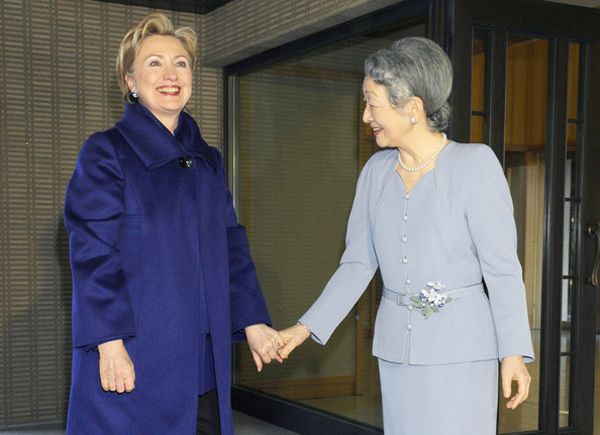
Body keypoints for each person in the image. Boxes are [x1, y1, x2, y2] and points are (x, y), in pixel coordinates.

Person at [278, 37, 534, 435]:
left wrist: (513, 353)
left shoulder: (475, 165)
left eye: (372, 103)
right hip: (396, 352)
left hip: (462, 352)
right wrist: (305, 327)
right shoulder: (375, 172)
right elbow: (357, 263)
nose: (365, 116)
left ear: (412, 108)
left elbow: (502, 270)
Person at [64, 13, 283, 435]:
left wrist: (252, 321)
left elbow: (230, 246)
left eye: (180, 63)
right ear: (130, 81)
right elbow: (92, 253)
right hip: (136, 349)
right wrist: (109, 343)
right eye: (154, 63)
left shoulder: (208, 160)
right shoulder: (106, 152)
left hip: (201, 356)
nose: (170, 74)